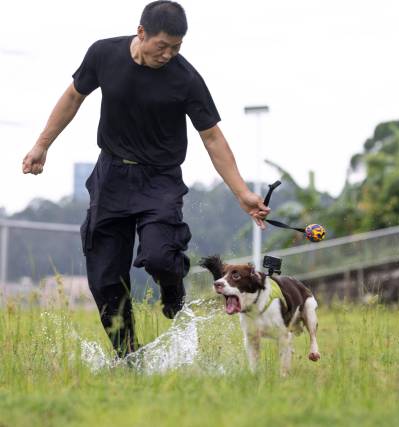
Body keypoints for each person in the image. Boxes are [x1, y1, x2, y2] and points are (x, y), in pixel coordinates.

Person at [21, 1, 270, 357]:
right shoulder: (103, 54)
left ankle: (173, 289)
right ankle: (128, 357)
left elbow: (212, 137)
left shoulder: (184, 78)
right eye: (162, 45)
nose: (168, 54)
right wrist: (41, 145)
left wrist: (242, 192)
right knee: (106, 278)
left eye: (176, 47)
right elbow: (74, 96)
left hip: (159, 180)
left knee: (159, 256)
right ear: (141, 33)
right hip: (111, 176)